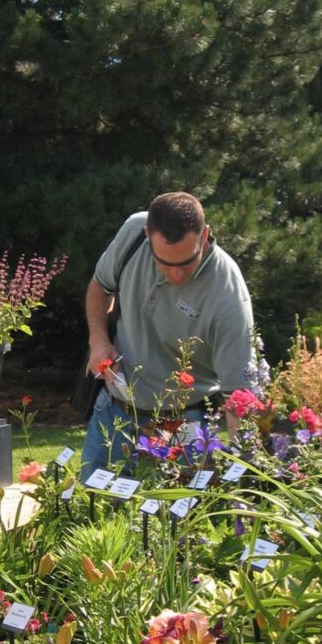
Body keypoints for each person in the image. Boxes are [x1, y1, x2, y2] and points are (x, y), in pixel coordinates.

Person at [81, 191, 257, 476]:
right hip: (113, 409)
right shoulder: (132, 235)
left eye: (187, 262)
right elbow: (100, 287)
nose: (175, 275)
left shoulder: (228, 294)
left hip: (181, 422)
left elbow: (238, 395)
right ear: (147, 234)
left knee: (174, 515)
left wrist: (243, 471)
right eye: (164, 262)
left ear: (205, 235)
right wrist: (98, 340)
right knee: (88, 510)